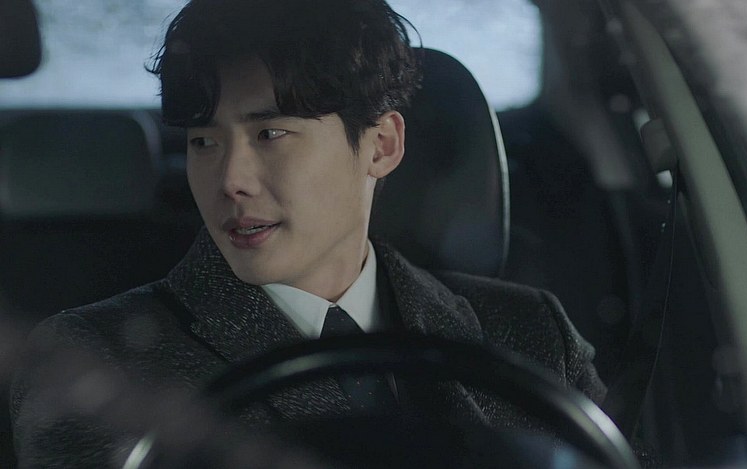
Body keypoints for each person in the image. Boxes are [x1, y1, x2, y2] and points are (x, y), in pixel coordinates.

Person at [10, 0, 606, 466]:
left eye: (270, 134)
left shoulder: (532, 333)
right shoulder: (93, 362)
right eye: (204, 142)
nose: (230, 180)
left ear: (381, 145)